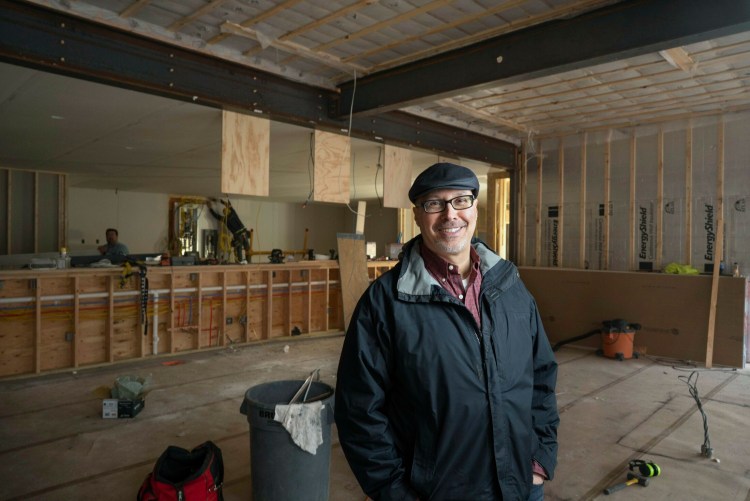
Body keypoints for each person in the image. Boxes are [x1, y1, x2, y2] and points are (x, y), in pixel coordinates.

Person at [334, 162, 559, 501]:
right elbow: (358, 410)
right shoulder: (385, 303)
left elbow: (541, 375)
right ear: (417, 214)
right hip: (437, 492)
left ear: (475, 209)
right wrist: (393, 492)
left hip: (520, 486)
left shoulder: (510, 287)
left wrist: (539, 459)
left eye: (460, 201)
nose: (450, 214)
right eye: (434, 203)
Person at [208, 197, 251, 264]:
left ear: (224, 213)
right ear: (228, 211)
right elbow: (229, 205)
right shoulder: (233, 213)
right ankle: (248, 261)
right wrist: (221, 201)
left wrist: (210, 208)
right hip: (244, 233)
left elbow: (216, 216)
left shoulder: (225, 219)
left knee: (239, 248)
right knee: (247, 248)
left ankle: (241, 261)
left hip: (238, 236)